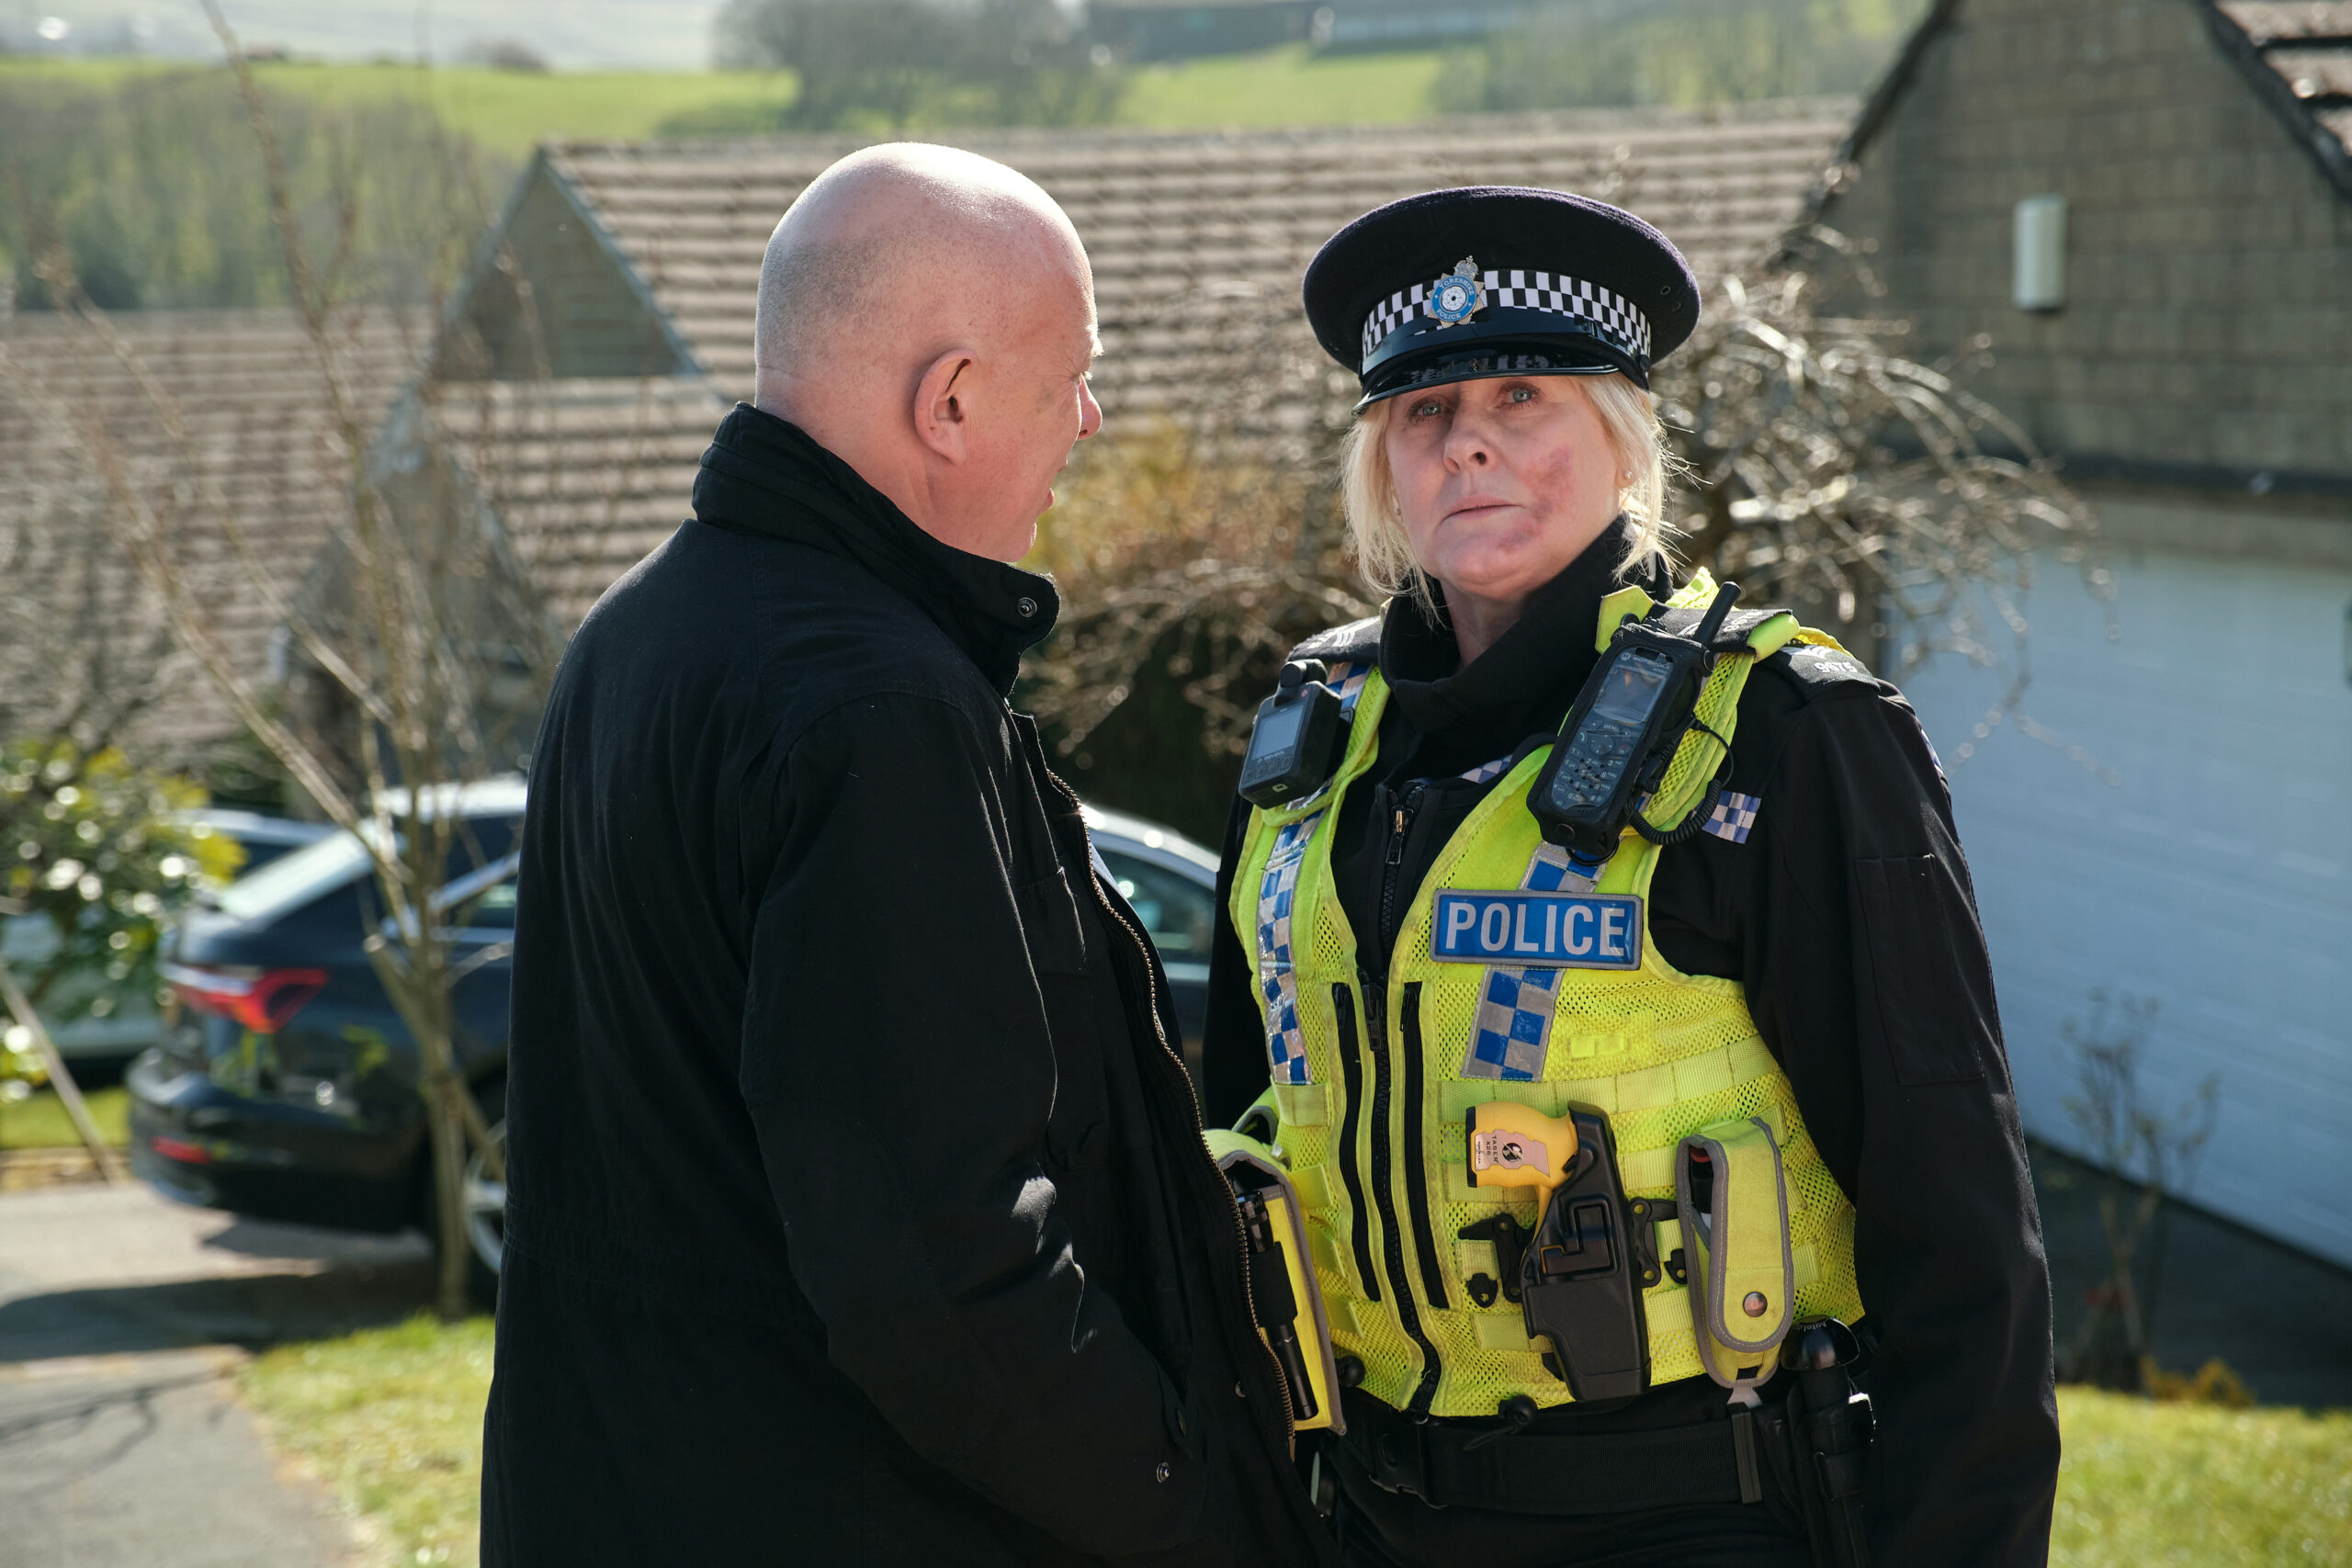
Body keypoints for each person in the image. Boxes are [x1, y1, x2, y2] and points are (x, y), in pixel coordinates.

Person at [481, 144, 1335, 1567]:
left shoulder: (634, 637)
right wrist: (1200, 1511)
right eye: (1071, 376)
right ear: (949, 401)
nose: (1091, 418)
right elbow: (943, 1270)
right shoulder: (879, 710)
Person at [1201, 187, 2061, 1566]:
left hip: (1693, 1514)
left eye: (1523, 392)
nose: (1468, 435)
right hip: (1361, 1514)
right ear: (1384, 465)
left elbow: (1963, 1243)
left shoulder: (1789, 734)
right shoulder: (1316, 736)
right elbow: (1253, 1120)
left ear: (1621, 437)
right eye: (1423, 411)